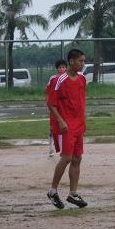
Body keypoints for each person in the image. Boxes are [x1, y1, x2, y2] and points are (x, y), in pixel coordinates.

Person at [46, 49, 88, 209]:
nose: (83, 64)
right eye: (80, 61)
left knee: (77, 158)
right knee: (67, 158)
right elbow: (51, 103)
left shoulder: (82, 78)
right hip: (66, 126)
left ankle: (73, 193)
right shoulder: (59, 80)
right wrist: (60, 121)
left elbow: (80, 101)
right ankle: (52, 191)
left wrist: (82, 121)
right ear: (71, 61)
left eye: (83, 61)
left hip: (79, 125)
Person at [46, 59, 68, 157]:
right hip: (55, 107)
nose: (62, 69)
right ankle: (51, 148)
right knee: (53, 129)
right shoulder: (53, 79)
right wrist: (49, 106)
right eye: (60, 67)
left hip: (65, 108)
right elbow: (48, 93)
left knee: (64, 128)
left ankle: (63, 149)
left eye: (63, 67)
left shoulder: (68, 78)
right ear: (57, 69)